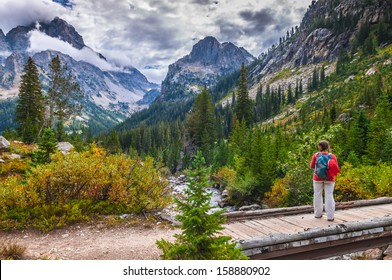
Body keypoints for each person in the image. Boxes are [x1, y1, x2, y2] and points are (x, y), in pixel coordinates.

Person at [310, 140, 340, 221]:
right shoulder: (332, 156)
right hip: (330, 178)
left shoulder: (316, 155)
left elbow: (312, 166)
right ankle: (330, 216)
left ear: (320, 147)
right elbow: (335, 167)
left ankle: (317, 214)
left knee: (317, 195)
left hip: (317, 178)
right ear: (327, 147)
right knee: (329, 196)